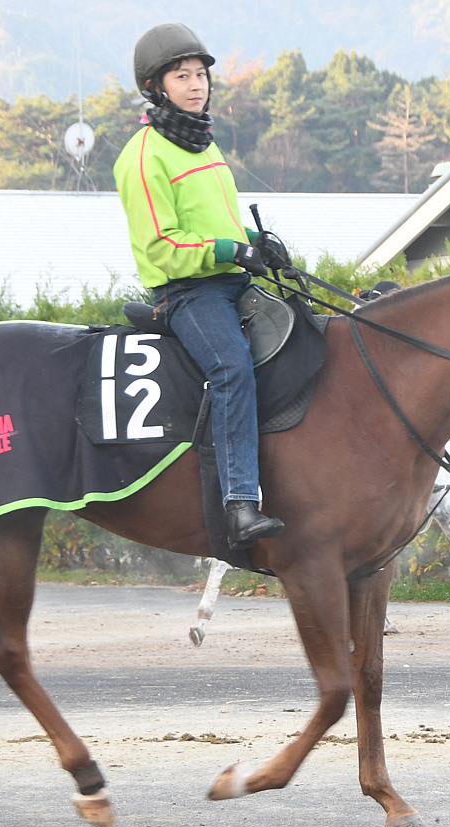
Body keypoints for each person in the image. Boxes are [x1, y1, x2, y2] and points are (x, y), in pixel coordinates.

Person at [114, 22, 287, 550]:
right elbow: (164, 244)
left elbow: (222, 225)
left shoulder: (204, 147)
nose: (196, 85)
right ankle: (239, 505)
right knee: (232, 368)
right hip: (188, 294)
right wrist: (232, 250)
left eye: (200, 76)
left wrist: (259, 240)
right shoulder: (143, 157)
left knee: (306, 335)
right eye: (182, 76)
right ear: (156, 87)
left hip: (231, 280)